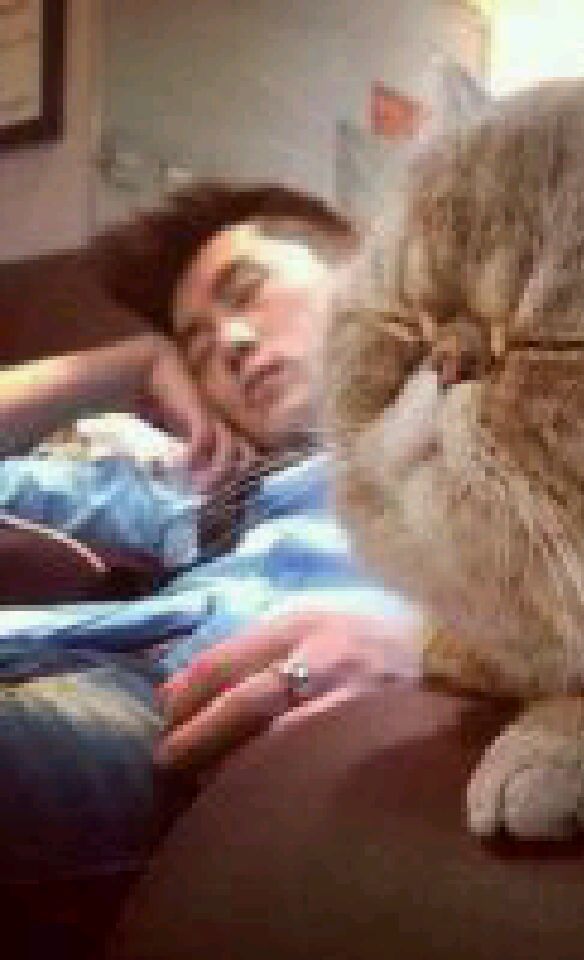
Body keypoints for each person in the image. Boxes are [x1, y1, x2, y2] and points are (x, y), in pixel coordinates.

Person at [0, 183, 422, 911]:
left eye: (247, 291)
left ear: (364, 266)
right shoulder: (201, 492)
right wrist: (129, 363)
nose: (229, 343)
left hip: (191, 713)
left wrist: (435, 649)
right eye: (195, 347)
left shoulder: (499, 430)